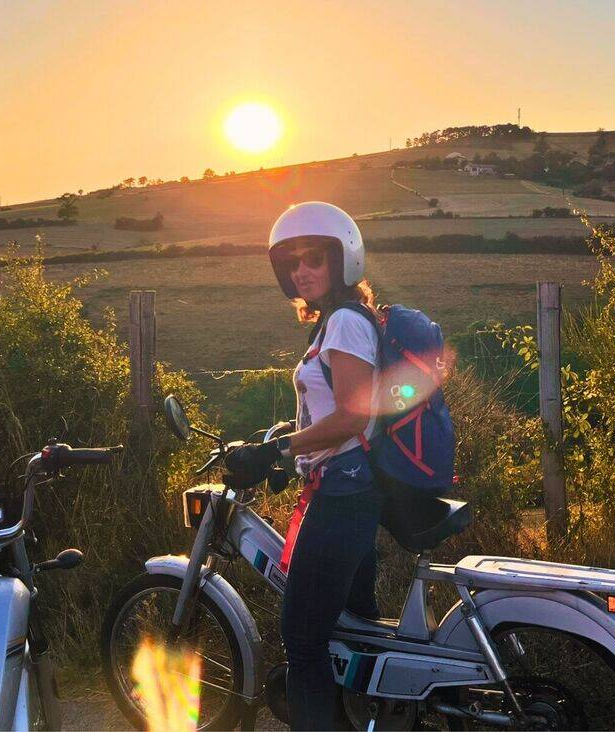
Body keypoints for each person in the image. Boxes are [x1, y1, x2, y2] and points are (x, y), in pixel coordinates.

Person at [224, 201, 382, 730]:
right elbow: (328, 413)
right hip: (344, 487)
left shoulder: (345, 323)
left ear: (343, 259)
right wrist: (287, 446)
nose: (301, 271)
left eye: (314, 258)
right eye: (292, 263)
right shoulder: (334, 323)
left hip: (345, 493)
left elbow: (353, 418)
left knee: (303, 638)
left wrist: (277, 450)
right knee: (344, 630)